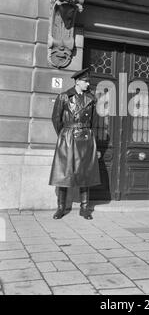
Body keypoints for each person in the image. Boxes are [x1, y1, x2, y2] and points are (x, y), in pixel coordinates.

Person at [49, 67, 100, 220]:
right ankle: (61, 208)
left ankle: (85, 209)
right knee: (64, 173)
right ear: (78, 82)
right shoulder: (64, 97)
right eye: (86, 82)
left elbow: (93, 122)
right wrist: (64, 135)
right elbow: (55, 119)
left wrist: (90, 137)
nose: (88, 85)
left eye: (88, 82)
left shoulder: (91, 98)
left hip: (85, 137)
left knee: (85, 173)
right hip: (68, 137)